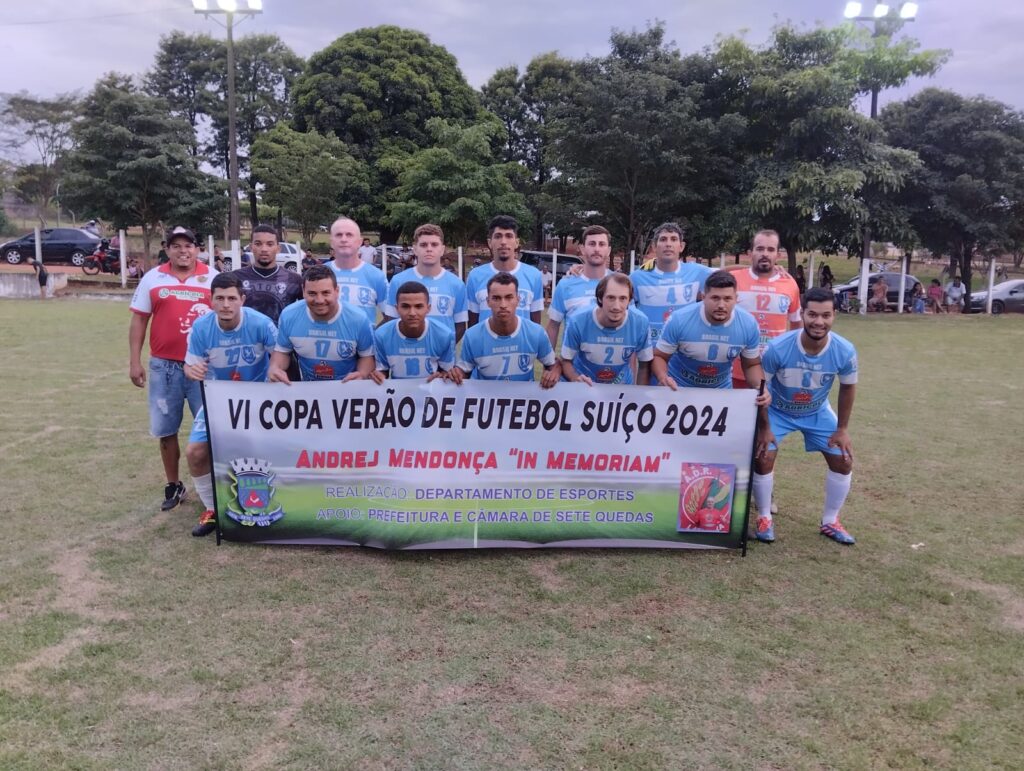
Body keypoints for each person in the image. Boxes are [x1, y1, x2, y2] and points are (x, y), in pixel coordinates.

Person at [752, 287, 859, 545]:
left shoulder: (844, 350)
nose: (818, 322)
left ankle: (830, 521)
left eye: (825, 315)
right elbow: (761, 388)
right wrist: (764, 427)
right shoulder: (778, 348)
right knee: (763, 456)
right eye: (812, 314)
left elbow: (848, 387)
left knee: (844, 461)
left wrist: (842, 429)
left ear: (834, 315)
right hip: (778, 410)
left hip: (816, 411)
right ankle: (764, 517)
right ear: (802, 314)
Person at [129, 226, 217, 511]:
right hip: (163, 366)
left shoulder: (212, 277)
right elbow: (140, 320)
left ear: (198, 248)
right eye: (176, 246)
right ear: (167, 249)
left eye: (188, 245)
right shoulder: (153, 278)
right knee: (166, 429)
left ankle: (215, 484)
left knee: (213, 428)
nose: (183, 251)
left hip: (203, 366)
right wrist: (134, 360)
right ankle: (174, 484)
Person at [183, 273, 278, 536]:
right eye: (220, 298)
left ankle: (272, 501)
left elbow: (280, 357)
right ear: (211, 301)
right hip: (217, 400)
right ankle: (213, 509)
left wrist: (275, 377)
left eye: (232, 298)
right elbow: (189, 366)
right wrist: (193, 371)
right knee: (195, 452)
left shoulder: (261, 324)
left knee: (267, 451)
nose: (226, 304)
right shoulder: (201, 328)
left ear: (242, 300)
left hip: (259, 400)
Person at [650, 271, 771, 404]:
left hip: (720, 392)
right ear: (703, 297)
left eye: (727, 299)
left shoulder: (749, 324)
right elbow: (660, 356)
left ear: (736, 298)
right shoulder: (679, 320)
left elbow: (751, 365)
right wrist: (663, 377)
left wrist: (760, 388)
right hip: (679, 389)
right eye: (715, 298)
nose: (721, 305)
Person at [630, 222, 714, 383]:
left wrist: (776, 270)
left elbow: (730, 275)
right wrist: (577, 271)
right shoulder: (637, 278)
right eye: (663, 239)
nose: (668, 244)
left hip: (685, 353)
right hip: (651, 356)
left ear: (681, 246)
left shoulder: (697, 272)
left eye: (673, 239)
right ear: (654, 246)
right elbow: (610, 288)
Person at [268, 264, 375, 383]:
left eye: (325, 293)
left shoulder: (358, 319)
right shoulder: (289, 316)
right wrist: (275, 368)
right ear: (303, 292)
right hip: (309, 391)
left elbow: (367, 356)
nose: (319, 300)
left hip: (347, 391)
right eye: (312, 293)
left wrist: (362, 373)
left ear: (337, 291)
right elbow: (282, 352)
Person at [456, 272, 560, 387]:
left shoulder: (536, 333)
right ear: (488, 301)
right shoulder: (472, 336)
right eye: (496, 298)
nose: (503, 304)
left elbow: (553, 364)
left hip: (523, 401)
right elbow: (464, 372)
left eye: (509, 297)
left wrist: (554, 372)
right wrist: (455, 375)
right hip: (486, 401)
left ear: (518, 300)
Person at [729, 230, 802, 389]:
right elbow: (712, 274)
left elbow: (796, 324)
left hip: (773, 368)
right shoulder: (733, 280)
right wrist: (744, 267)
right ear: (750, 253)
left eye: (770, 250)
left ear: (778, 255)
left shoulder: (789, 284)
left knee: (767, 414)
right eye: (760, 249)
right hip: (736, 369)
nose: (765, 254)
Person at [560, 273, 652, 385]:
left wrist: (639, 398)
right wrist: (576, 378)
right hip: (585, 388)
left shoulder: (641, 322)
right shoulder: (578, 321)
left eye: (623, 298)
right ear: (600, 298)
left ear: (629, 300)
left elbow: (644, 365)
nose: (616, 306)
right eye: (611, 298)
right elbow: (565, 361)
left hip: (620, 388)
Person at [384, 223, 468, 343]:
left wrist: (444, 350)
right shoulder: (398, 281)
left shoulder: (457, 284)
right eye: (423, 245)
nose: (429, 249)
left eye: (434, 244)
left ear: (442, 249)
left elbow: (460, 326)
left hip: (442, 359)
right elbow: (391, 321)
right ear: (415, 249)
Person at [372, 281, 459, 383]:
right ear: (397, 309)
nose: (412, 313)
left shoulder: (444, 335)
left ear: (428, 308)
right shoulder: (382, 335)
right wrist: (378, 376)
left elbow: (446, 371)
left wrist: (443, 376)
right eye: (405, 306)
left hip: (431, 395)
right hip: (398, 395)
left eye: (418, 306)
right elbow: (383, 371)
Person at [465, 215, 544, 327]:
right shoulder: (475, 276)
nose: (503, 242)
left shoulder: (534, 275)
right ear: (490, 242)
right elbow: (473, 324)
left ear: (516, 242)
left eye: (509, 236)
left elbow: (535, 325)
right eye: (498, 236)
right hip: (486, 344)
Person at [545, 225, 613, 349]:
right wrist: (549, 363)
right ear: (582, 249)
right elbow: (553, 326)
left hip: (613, 366)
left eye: (601, 244)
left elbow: (629, 327)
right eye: (592, 244)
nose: (597, 249)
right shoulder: (566, 285)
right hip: (572, 365)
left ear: (608, 250)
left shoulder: (620, 283)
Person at [232, 225, 303, 324]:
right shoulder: (235, 278)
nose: (264, 249)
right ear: (251, 247)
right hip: (246, 338)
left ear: (278, 248)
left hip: (280, 338)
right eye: (258, 244)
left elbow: (306, 312)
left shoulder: (294, 280)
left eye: (270, 244)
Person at [326, 217, 389, 327]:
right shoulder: (320, 273)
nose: (344, 239)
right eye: (339, 235)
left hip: (363, 344)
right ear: (331, 242)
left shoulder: (376, 276)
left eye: (349, 235)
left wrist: (373, 336)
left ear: (360, 242)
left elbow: (390, 316)